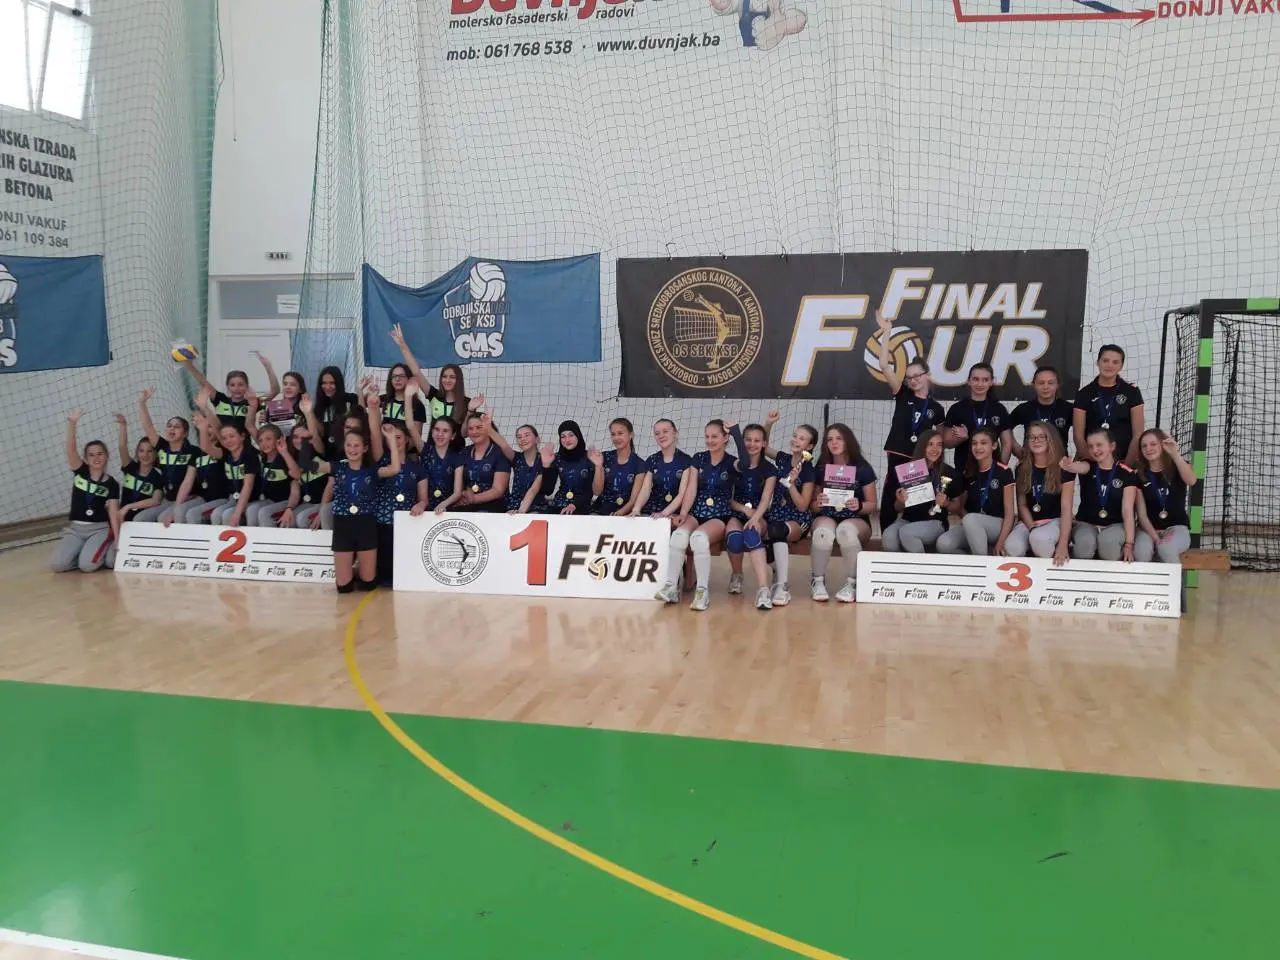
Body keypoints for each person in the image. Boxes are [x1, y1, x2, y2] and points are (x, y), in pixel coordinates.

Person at [311, 423, 403, 592]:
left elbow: (395, 468)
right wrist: (304, 442)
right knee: (343, 587)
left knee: (367, 584)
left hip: (365, 525)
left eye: (356, 446)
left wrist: (390, 439)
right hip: (343, 525)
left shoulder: (372, 471)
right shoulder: (337, 467)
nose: (352, 449)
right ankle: (350, 569)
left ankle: (361, 569)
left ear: (365, 448)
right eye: (349, 445)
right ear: (344, 447)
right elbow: (308, 465)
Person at [875, 310, 944, 528]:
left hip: (919, 458)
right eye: (909, 377)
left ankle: (915, 534)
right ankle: (887, 536)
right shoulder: (902, 394)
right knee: (891, 495)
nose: (913, 380)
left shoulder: (937, 408)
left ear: (927, 375)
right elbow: (884, 365)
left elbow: (940, 437)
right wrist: (887, 332)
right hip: (897, 454)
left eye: (917, 376)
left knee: (916, 499)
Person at [666, 420, 736, 611]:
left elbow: (746, 462)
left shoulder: (732, 462)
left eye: (715, 436)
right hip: (697, 512)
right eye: (707, 436)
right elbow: (691, 489)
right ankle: (671, 586)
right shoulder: (699, 458)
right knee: (678, 535)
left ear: (725, 438)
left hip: (719, 515)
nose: (710, 440)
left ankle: (702, 592)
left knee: (698, 539)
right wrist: (683, 513)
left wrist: (736, 432)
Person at [809, 423, 877, 602]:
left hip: (856, 519)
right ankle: (817, 581)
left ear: (848, 441)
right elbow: (812, 506)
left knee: (845, 531)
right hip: (827, 516)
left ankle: (853, 584)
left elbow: (872, 505)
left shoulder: (862, 468)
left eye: (839, 438)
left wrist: (859, 505)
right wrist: (819, 502)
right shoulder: (821, 467)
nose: (834, 443)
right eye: (830, 439)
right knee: (823, 533)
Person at [51, 410, 120, 573]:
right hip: (75, 530)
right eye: (91, 455)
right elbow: (70, 450)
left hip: (98, 530)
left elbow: (113, 512)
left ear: (106, 456)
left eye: (100, 454)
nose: (96, 458)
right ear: (86, 458)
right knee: (58, 566)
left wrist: (117, 538)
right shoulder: (80, 471)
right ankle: (84, 553)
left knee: (87, 566)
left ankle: (101, 549)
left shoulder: (112, 484)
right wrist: (72, 424)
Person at [1061, 428, 1139, 561]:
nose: (1095, 449)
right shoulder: (1089, 466)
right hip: (1086, 523)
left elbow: (1127, 510)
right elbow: (1080, 467)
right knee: (1084, 544)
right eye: (1090, 446)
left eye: (1099, 445)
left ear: (1112, 446)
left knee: (1109, 545)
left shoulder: (1126, 473)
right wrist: (1070, 466)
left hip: (1115, 525)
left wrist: (1129, 544)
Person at [762, 421, 817, 607]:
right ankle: (777, 568)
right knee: (755, 534)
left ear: (809, 446)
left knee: (777, 530)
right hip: (776, 513)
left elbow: (802, 506)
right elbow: (763, 447)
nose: (796, 440)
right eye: (795, 436)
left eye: (802, 439)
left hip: (797, 519)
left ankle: (782, 586)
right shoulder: (783, 459)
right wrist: (768, 424)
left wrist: (791, 483)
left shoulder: (808, 471)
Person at [882, 429, 964, 554]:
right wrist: (901, 501)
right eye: (930, 444)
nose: (935, 449)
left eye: (939, 445)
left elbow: (957, 507)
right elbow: (897, 508)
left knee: (907, 532)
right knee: (888, 536)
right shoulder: (908, 470)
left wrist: (946, 503)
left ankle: (921, 565)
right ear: (922, 447)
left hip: (935, 522)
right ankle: (901, 565)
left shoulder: (949, 472)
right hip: (908, 520)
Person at [936, 428, 1016, 555]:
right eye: (974, 443)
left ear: (994, 445)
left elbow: (1010, 514)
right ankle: (974, 559)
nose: (978, 447)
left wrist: (1001, 542)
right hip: (972, 523)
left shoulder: (1004, 472)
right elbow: (961, 509)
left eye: (983, 443)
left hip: (997, 525)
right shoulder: (968, 473)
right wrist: (947, 503)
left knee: (970, 519)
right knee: (943, 544)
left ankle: (982, 562)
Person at [724, 422, 777, 610]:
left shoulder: (769, 470)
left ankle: (763, 590)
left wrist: (755, 518)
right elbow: (728, 499)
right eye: (748, 440)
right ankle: (737, 574)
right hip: (737, 513)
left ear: (764, 444)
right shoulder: (736, 465)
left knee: (752, 534)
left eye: (757, 441)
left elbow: (765, 499)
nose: (752, 444)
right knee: (734, 539)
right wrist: (744, 510)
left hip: (759, 515)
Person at [1005, 422, 1074, 564]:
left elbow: (1066, 508)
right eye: (1032, 437)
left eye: (1042, 437)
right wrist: (1031, 527)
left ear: (1051, 439)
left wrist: (1063, 543)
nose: (1036, 441)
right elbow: (1022, 505)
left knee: (1039, 539)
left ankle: (1051, 571)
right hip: (1030, 522)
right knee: (1012, 546)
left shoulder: (1063, 467)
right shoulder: (1022, 468)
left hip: (1054, 521)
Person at [645, 420, 696, 602]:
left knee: (674, 532)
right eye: (657, 433)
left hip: (677, 511)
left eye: (665, 431)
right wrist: (635, 509)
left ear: (676, 434)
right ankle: (655, 581)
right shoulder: (652, 460)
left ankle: (677, 580)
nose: (661, 435)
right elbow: (645, 490)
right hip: (654, 510)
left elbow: (683, 493)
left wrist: (666, 514)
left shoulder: (686, 460)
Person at [1133, 429, 1197, 564]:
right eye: (1144, 446)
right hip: (1147, 529)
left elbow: (1191, 481)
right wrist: (1156, 538)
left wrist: (1174, 453)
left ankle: (1175, 579)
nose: (1148, 449)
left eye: (1153, 444)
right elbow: (1142, 515)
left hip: (1176, 528)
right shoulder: (1139, 474)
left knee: (1166, 548)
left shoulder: (1177, 466)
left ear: (1162, 445)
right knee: (1141, 552)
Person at [1073, 344, 1145, 463]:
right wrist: (1092, 465)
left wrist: (1126, 466)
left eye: (1115, 362)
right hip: (1093, 463)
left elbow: (1138, 435)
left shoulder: (1132, 392)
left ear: (1121, 366)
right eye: (1105, 360)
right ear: (1098, 362)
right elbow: (1078, 436)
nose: (1109, 365)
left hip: (1124, 461)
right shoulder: (1084, 393)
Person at [389, 325, 471, 425]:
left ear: (459, 380)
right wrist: (402, 345)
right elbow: (416, 372)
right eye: (444, 376)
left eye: (452, 377)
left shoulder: (467, 403)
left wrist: (471, 410)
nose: (447, 380)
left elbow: (466, 431)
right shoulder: (434, 395)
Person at [374, 419, 421, 586]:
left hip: (406, 525)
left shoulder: (417, 468)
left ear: (407, 439)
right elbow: (374, 430)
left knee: (403, 574)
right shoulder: (381, 461)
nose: (395, 441)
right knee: (384, 574)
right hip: (383, 523)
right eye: (391, 437)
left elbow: (423, 498)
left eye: (398, 437)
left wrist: (421, 504)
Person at [943, 362, 1012, 474]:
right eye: (975, 379)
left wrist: (1000, 469)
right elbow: (946, 443)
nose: (980, 384)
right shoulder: (957, 409)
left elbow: (1007, 443)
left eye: (985, 380)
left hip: (991, 472)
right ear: (969, 381)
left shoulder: (999, 409)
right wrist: (961, 438)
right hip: (964, 471)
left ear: (991, 382)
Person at [182, 351, 274, 433]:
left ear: (247, 386)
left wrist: (268, 367)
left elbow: (274, 391)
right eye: (232, 385)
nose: (236, 388)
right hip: (222, 443)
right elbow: (203, 382)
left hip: (244, 445)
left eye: (241, 385)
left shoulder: (252, 402)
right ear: (228, 387)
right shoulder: (220, 399)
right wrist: (189, 365)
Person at [179, 410, 232, 525]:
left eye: (210, 427)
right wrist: (176, 507)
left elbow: (207, 447)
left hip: (222, 499)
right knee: (179, 510)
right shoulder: (196, 453)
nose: (207, 430)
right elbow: (187, 482)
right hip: (203, 498)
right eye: (204, 427)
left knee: (192, 514)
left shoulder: (224, 449)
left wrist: (203, 426)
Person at [112, 413, 164, 527]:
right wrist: (123, 426)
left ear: (155, 454)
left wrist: (129, 506)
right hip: (122, 519)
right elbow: (122, 447)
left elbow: (156, 500)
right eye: (141, 451)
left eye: (149, 451)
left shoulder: (157, 476)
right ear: (137, 452)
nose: (145, 455)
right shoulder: (130, 467)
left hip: (142, 521)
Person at [1010, 365, 1073, 456]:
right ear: (1034, 384)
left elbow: (1083, 433)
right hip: (1031, 462)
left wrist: (1078, 458)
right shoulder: (1024, 409)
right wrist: (1017, 450)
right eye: (1041, 383)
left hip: (1059, 462)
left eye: (1050, 383)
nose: (1045, 387)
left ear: (1057, 384)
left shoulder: (1068, 408)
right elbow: (1005, 428)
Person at [540, 420, 600, 515]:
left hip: (581, 505)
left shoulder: (589, 457)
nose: (567, 440)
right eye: (563, 436)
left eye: (571, 435)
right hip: (558, 504)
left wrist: (574, 505)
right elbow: (548, 491)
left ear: (578, 436)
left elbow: (590, 491)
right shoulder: (557, 458)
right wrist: (546, 466)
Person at [246, 424, 300, 526]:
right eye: (260, 440)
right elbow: (249, 426)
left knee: (263, 512)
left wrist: (284, 452)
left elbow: (296, 476)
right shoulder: (263, 458)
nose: (264, 443)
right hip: (269, 500)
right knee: (251, 509)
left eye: (268, 439)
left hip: (286, 501)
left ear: (278, 440)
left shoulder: (284, 459)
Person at [207, 423, 260, 527]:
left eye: (232, 436)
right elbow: (206, 447)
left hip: (253, 499)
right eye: (224, 438)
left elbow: (248, 486)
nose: (228, 441)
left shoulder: (250, 455)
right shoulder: (226, 455)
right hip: (234, 499)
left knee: (227, 516)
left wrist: (237, 513)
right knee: (216, 514)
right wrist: (203, 428)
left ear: (242, 436)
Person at [455, 412, 510, 512]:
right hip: (468, 504)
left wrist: (474, 499)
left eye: (479, 427)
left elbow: (498, 490)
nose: (474, 432)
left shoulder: (500, 453)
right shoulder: (464, 452)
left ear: (488, 428)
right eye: (470, 428)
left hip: (494, 507)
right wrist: (463, 494)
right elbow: (459, 485)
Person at [488, 421, 546, 515]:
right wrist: (488, 427)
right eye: (519, 437)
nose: (523, 439)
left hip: (536, 507)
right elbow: (503, 445)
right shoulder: (516, 458)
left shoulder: (544, 461)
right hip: (514, 507)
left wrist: (521, 512)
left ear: (537, 439)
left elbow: (533, 490)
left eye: (527, 435)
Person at [595, 418, 649, 516]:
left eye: (620, 433)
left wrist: (618, 514)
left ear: (631, 435)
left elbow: (633, 500)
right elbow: (597, 491)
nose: (616, 438)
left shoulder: (640, 464)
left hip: (625, 515)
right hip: (599, 512)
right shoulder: (604, 457)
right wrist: (598, 467)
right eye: (613, 434)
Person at [284, 421, 332, 531]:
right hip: (310, 503)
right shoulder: (293, 461)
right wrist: (289, 508)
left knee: (302, 518)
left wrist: (322, 510)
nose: (300, 440)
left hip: (326, 502)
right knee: (290, 518)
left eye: (304, 437)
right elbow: (295, 491)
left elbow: (330, 487)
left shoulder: (321, 452)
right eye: (295, 437)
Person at [417, 416, 465, 513]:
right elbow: (410, 427)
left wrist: (443, 505)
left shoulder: (457, 457)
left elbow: (457, 492)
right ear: (432, 432)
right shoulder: (424, 450)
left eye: (445, 431)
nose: (440, 434)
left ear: (452, 436)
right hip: (423, 508)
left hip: (447, 510)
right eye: (437, 429)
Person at [312, 366, 360, 453]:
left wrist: (360, 392)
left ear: (339, 383)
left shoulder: (351, 399)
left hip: (348, 452)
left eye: (332, 383)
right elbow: (320, 432)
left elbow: (362, 420)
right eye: (324, 383)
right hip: (326, 453)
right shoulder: (319, 405)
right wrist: (309, 412)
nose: (327, 387)